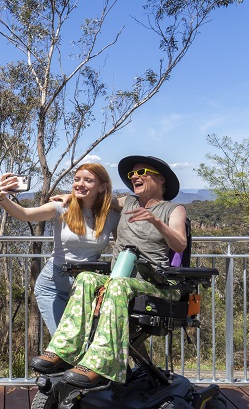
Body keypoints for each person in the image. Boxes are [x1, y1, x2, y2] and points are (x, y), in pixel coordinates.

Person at [29, 155, 187, 388]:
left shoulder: (174, 210)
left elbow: (180, 245)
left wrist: (156, 222)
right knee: (85, 278)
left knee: (116, 285)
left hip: (155, 285)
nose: (135, 177)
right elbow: (95, 198)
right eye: (132, 174)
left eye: (141, 172)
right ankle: (64, 351)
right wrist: (70, 198)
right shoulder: (126, 203)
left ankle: (101, 365)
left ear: (161, 179)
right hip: (119, 281)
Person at [0, 163, 121, 334]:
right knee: (63, 342)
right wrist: (2, 198)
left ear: (102, 186)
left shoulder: (111, 215)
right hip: (52, 285)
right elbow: (25, 214)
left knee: (87, 343)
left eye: (88, 180)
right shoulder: (61, 208)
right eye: (77, 179)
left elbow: (129, 208)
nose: (80, 184)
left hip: (86, 286)